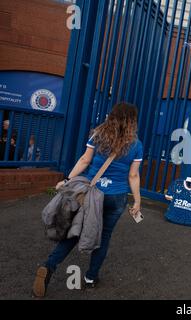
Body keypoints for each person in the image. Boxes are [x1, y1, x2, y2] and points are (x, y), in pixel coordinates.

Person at [32, 102, 143, 298]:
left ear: (112, 116)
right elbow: (133, 176)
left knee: (75, 232)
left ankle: (49, 266)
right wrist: (137, 201)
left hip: (92, 194)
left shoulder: (98, 135)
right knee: (104, 236)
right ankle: (91, 278)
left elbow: (84, 160)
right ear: (132, 121)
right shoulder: (136, 144)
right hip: (116, 196)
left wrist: (67, 180)